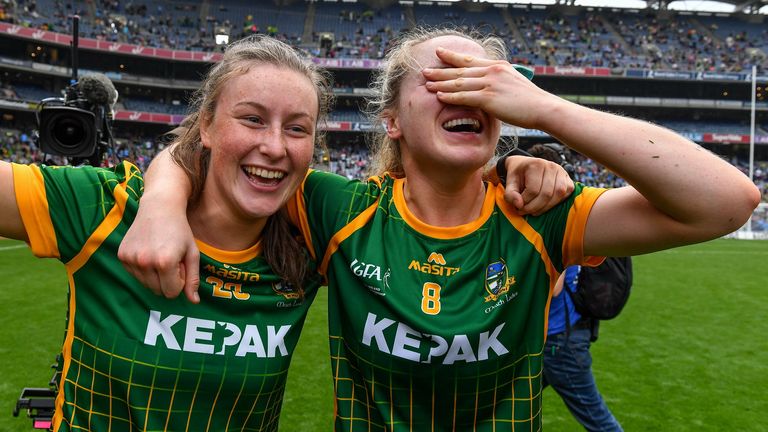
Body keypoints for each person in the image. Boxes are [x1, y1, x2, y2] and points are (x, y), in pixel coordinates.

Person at [119, 27, 760, 431]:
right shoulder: (336, 208)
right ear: (391, 120)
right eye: (442, 80)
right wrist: (161, 203)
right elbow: (208, 149)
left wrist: (541, 110)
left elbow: (725, 202)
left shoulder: (540, 216)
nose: (466, 97)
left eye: (483, 84)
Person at [0, 35, 335, 432]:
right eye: (252, 119)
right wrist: (157, 200)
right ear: (206, 125)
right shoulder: (107, 207)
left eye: (297, 128)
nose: (275, 146)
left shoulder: (312, 234)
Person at [528, 143, 623, 431]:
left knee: (599, 422)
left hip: (560, 343)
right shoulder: (566, 217)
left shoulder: (553, 223)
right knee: (500, 408)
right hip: (556, 339)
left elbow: (554, 289)